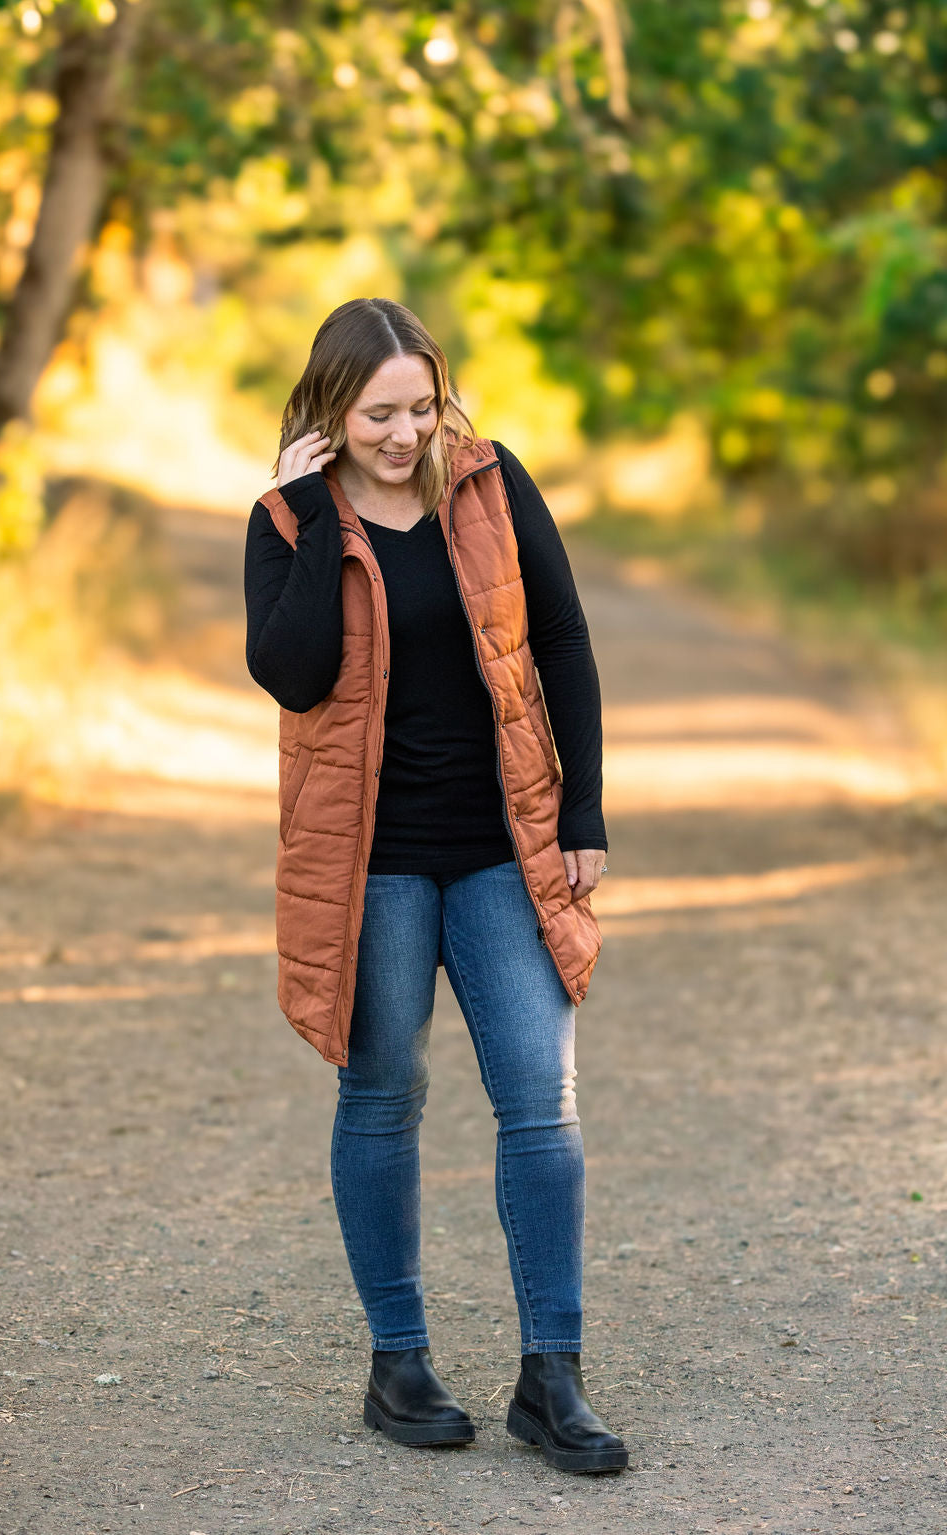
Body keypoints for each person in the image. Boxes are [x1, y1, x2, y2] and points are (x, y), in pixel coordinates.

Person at [244, 296, 627, 1474]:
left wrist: (581, 811)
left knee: (542, 1100)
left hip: (503, 846)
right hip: (373, 863)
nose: (405, 433)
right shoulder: (283, 517)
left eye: (421, 406)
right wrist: (317, 514)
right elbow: (292, 672)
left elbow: (561, 638)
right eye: (378, 414)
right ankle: (397, 1362)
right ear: (330, 410)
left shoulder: (490, 486)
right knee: (381, 1095)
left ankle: (550, 1375)